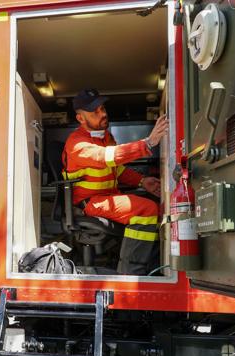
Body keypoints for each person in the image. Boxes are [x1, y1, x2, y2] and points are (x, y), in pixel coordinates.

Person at [62, 89, 169, 275]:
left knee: (155, 208)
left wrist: (143, 181)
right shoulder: (76, 144)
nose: (102, 114)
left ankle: (150, 267)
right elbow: (105, 158)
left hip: (108, 197)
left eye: (102, 108)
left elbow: (117, 169)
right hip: (90, 203)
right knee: (147, 210)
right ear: (80, 118)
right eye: (94, 111)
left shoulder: (106, 137)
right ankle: (131, 273)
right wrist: (148, 143)